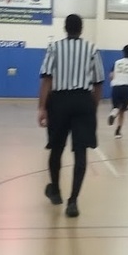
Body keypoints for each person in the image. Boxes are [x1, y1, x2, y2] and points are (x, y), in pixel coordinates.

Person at [38, 14, 105, 218]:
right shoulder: (92, 49)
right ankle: (73, 201)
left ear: (65, 28)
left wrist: (42, 107)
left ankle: (56, 191)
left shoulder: (54, 48)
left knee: (56, 149)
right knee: (81, 152)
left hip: (59, 101)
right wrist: (92, 106)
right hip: (83, 100)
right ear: (81, 29)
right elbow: (99, 82)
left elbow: (47, 79)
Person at [107, 44, 128, 138]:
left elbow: (111, 75)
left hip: (116, 87)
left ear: (123, 52)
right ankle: (118, 131)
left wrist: (115, 81)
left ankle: (113, 113)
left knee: (116, 107)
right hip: (127, 88)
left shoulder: (117, 62)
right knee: (122, 111)